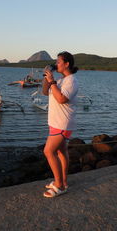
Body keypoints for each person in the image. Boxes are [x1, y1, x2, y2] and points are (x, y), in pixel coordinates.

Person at [42, 51, 79, 198]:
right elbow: (46, 92)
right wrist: (48, 78)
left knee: (48, 151)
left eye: (58, 62)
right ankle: (63, 181)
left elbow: (62, 99)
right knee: (61, 152)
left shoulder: (71, 81)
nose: (56, 64)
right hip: (56, 122)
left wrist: (52, 82)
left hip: (63, 123)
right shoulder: (61, 80)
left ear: (67, 64)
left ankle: (59, 186)